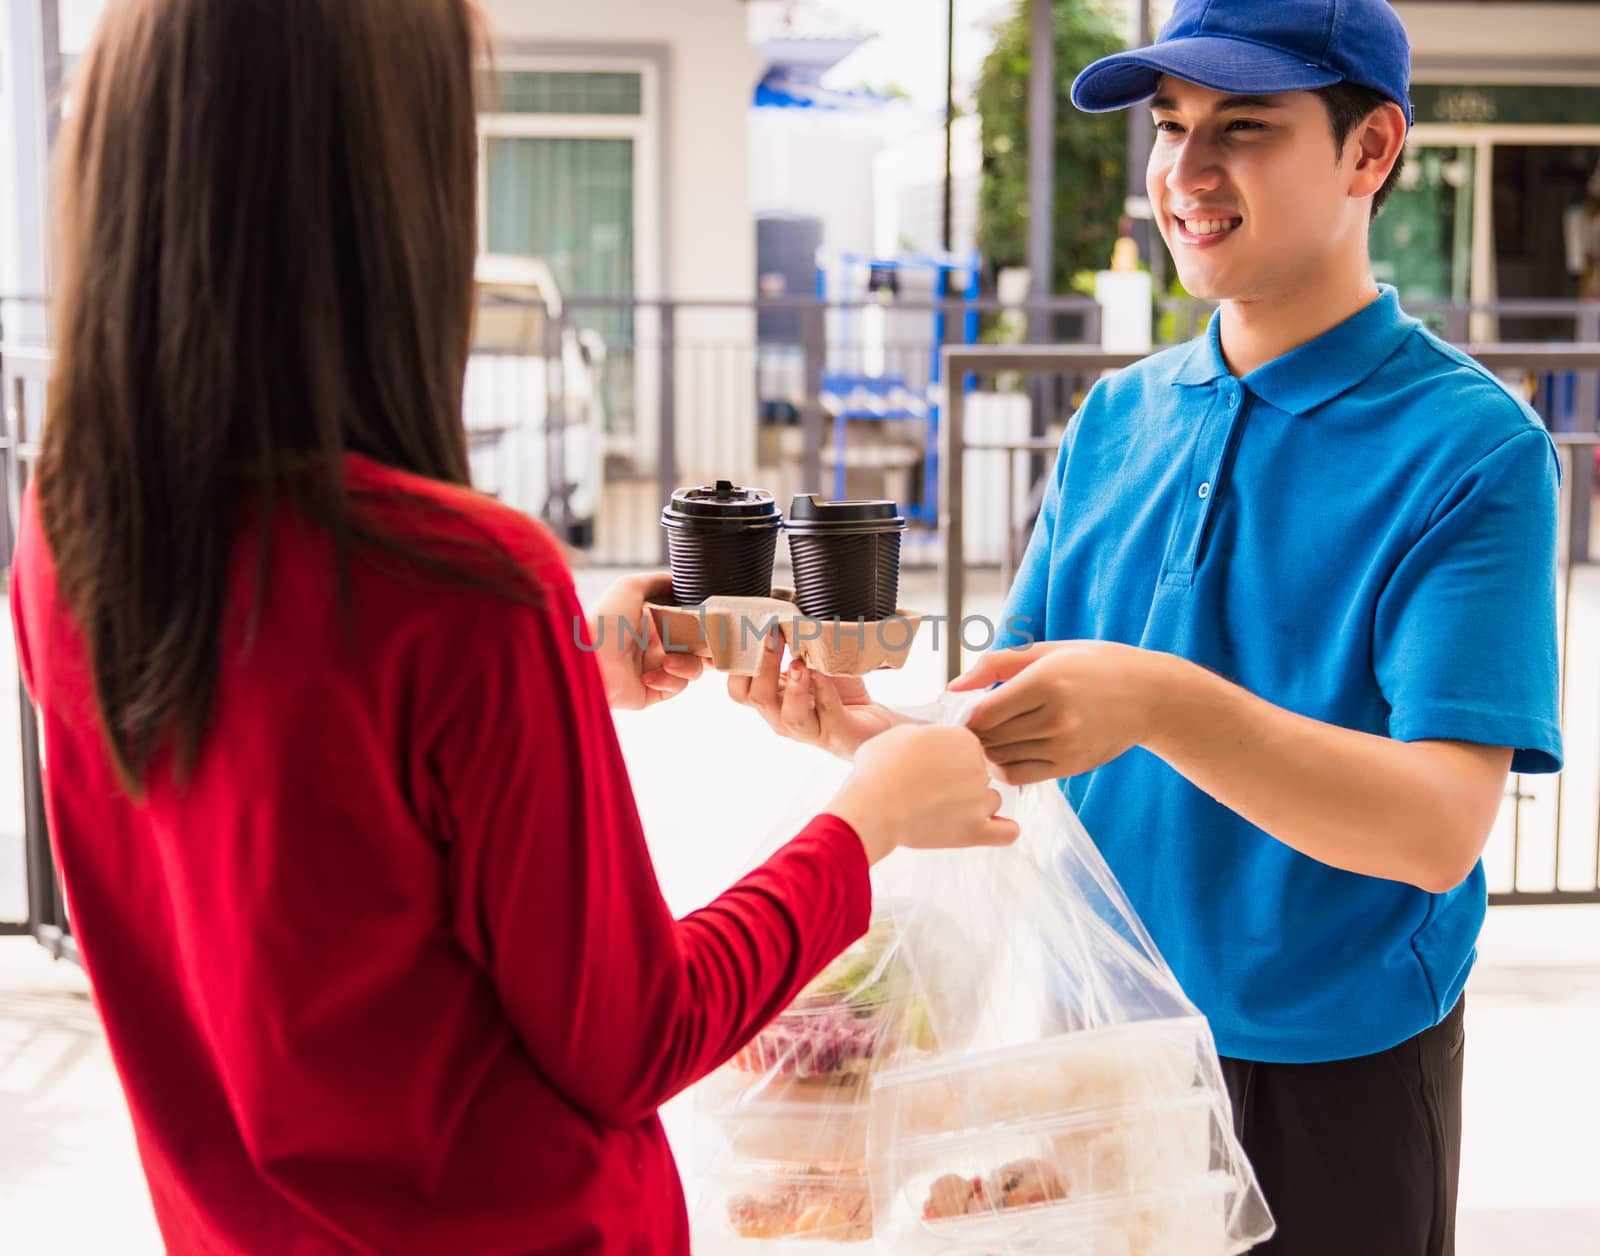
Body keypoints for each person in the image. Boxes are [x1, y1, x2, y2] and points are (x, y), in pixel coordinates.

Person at [8, 2, 1019, 1252]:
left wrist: (552, 678)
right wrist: (867, 819)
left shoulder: (73, 537)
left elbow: (305, 807)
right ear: (382, 195)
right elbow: (636, 1037)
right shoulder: (466, 582)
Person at [732, 2, 1563, 1253]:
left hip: (1334, 1066)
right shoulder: (1114, 419)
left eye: (1244, 127)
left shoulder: (1473, 451)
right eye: (1170, 127)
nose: (1185, 171)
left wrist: (1159, 699)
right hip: (1095, 1046)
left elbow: (1434, 827)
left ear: (1370, 150)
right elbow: (1020, 725)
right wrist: (871, 729)